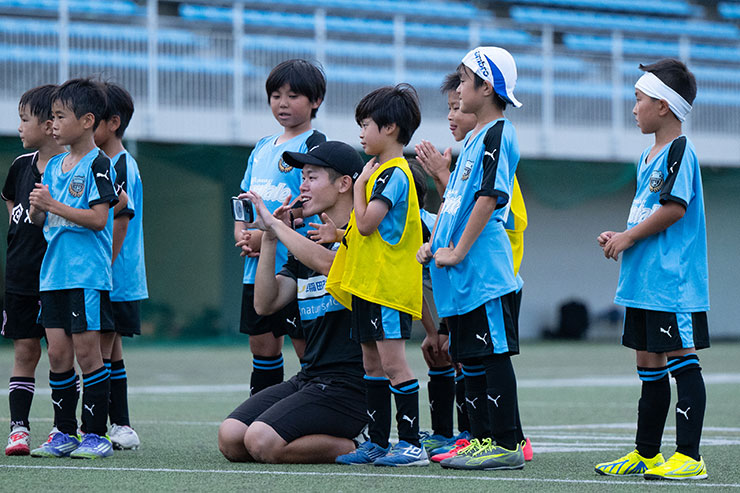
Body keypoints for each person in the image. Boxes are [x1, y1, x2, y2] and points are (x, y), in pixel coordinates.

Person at [218, 141, 367, 463]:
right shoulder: (306, 243)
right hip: (310, 377)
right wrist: (271, 239)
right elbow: (265, 304)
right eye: (302, 177)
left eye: (312, 177)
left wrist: (274, 225)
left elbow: (330, 265)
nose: (302, 186)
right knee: (231, 437)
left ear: (344, 184)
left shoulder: (362, 235)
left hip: (350, 386)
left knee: (261, 441)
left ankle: (357, 443)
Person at [595, 59, 709, 481]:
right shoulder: (648, 155)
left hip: (670, 282)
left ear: (663, 105)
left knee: (681, 359)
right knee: (648, 363)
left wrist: (628, 237)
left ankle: (690, 456)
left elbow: (674, 209)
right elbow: (650, 213)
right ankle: (647, 454)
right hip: (643, 280)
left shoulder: (681, 150)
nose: (634, 108)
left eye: (639, 99)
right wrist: (622, 234)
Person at [417, 47, 526, 471]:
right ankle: (479, 440)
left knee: (493, 355)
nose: (459, 89)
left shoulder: (498, 133)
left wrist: (458, 250)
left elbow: (489, 198)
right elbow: (456, 204)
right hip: (461, 275)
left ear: (487, 87)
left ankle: (506, 444)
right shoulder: (473, 141)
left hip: (484, 272)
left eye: (464, 80)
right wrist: (435, 244)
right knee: (471, 361)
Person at [329, 84, 428, 467]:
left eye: (365, 124)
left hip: (386, 288)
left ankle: (411, 444)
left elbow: (368, 223)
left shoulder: (394, 174)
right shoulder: (381, 172)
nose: (361, 133)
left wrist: (357, 188)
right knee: (372, 365)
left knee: (393, 364)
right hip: (368, 286)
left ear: (389, 128)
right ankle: (377, 442)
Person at [28, 78, 119, 459]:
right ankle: (63, 432)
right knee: (58, 355)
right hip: (53, 276)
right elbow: (40, 221)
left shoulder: (99, 164)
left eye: (60, 116)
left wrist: (53, 205)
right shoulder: (52, 166)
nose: (53, 124)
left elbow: (98, 219)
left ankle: (96, 434)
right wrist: (38, 208)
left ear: (86, 121)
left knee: (88, 355)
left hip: (86, 276)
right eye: (51, 117)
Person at [236, 59, 326, 396]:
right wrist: (242, 233)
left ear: (315, 100)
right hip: (258, 267)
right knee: (262, 346)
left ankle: (316, 407)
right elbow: (244, 198)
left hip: (295, 265)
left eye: (293, 96)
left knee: (307, 348)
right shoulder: (262, 147)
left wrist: (267, 233)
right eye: (276, 96)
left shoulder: (314, 144)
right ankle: (262, 411)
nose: (283, 103)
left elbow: (314, 199)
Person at [3, 84, 66, 456]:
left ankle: (62, 428)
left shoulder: (69, 168)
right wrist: (19, 221)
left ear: (48, 125)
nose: (19, 127)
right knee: (25, 352)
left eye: (24, 120)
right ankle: (19, 430)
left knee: (60, 354)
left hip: (58, 277)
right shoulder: (19, 166)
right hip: (21, 276)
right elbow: (11, 198)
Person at [93, 81, 147, 451]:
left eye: (92, 119)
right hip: (111, 275)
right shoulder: (103, 164)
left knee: (100, 351)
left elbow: (119, 222)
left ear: (113, 123)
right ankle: (121, 425)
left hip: (114, 275)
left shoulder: (120, 166)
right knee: (110, 351)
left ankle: (98, 426)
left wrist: (102, 269)